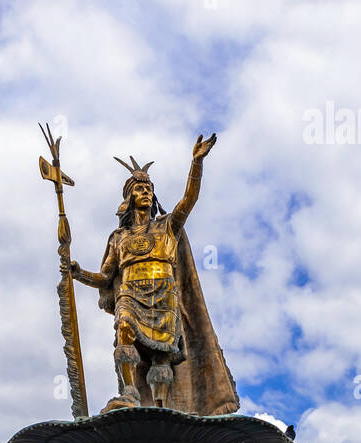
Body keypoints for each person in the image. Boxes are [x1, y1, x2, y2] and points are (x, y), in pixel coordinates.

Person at [69, 136, 238, 415]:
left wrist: (196, 164)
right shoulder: (119, 238)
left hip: (163, 296)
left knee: (162, 358)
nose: (146, 192)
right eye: (139, 188)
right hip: (130, 294)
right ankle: (129, 392)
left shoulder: (168, 227)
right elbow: (105, 277)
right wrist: (78, 274)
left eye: (149, 188)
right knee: (124, 328)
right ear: (129, 197)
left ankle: (161, 407)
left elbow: (189, 200)